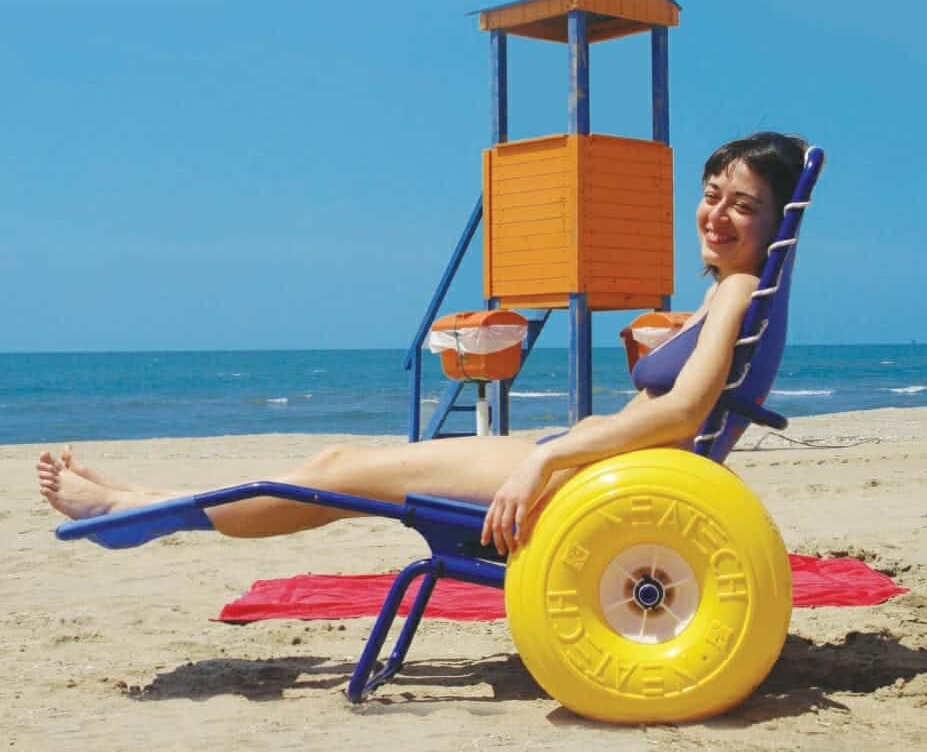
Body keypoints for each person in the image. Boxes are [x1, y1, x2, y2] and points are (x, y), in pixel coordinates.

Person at [37, 132, 808, 557]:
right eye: (711, 195)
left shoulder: (739, 290)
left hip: (583, 476)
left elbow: (681, 414)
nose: (716, 214)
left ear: (773, 224)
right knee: (334, 475)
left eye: (742, 205)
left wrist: (547, 457)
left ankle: (138, 512)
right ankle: (143, 506)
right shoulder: (727, 293)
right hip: (587, 461)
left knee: (336, 475)